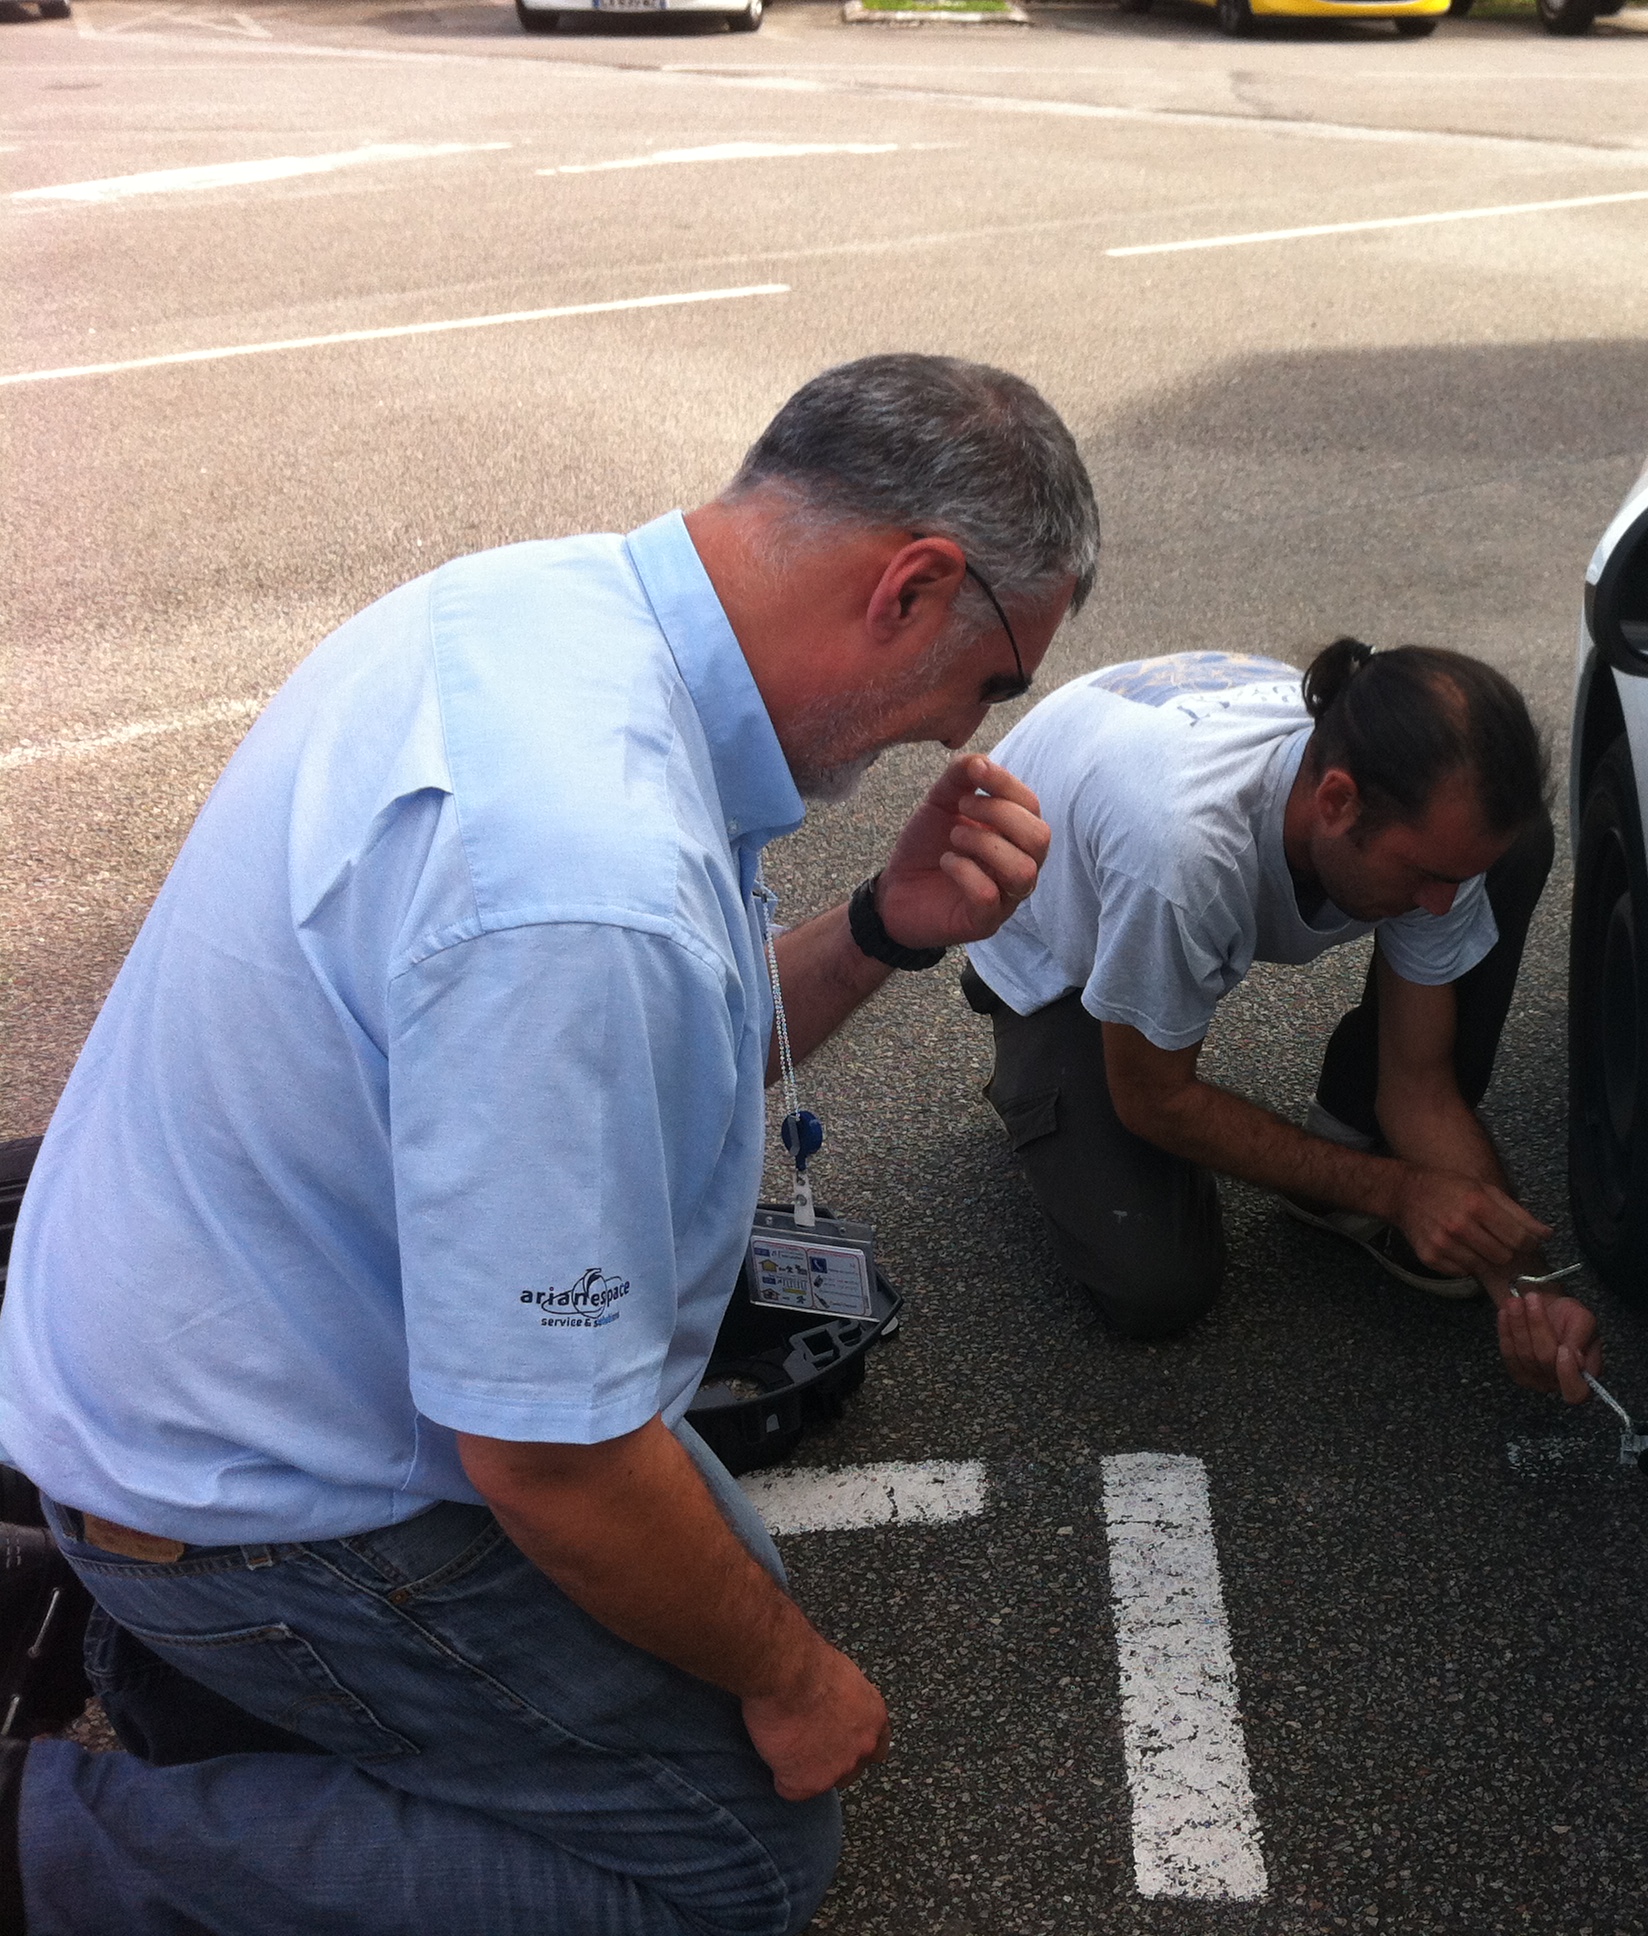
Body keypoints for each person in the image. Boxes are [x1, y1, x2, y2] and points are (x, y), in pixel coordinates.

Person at [0, 354, 1097, 1936]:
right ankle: (58, 1833)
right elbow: (552, 1465)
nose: (957, 737)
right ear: (914, 586)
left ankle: (195, 1677)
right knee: (739, 1854)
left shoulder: (550, 618)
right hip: (264, 1498)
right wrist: (794, 1685)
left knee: (707, 1591)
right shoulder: (579, 863)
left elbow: (667, 1053)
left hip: (200, 1361)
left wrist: (881, 929)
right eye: (988, 683)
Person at [962, 641, 1604, 1401]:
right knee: (1155, 1283)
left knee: (1514, 848)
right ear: (1336, 801)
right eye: (1426, 875)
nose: (1443, 904)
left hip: (1139, 758)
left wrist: (1525, 1288)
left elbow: (1420, 1084)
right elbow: (1153, 1098)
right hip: (1030, 901)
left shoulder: (1428, 831)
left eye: (1450, 879)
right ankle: (1036, 1075)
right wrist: (1399, 1191)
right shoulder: (1180, 851)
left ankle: (1344, 1138)